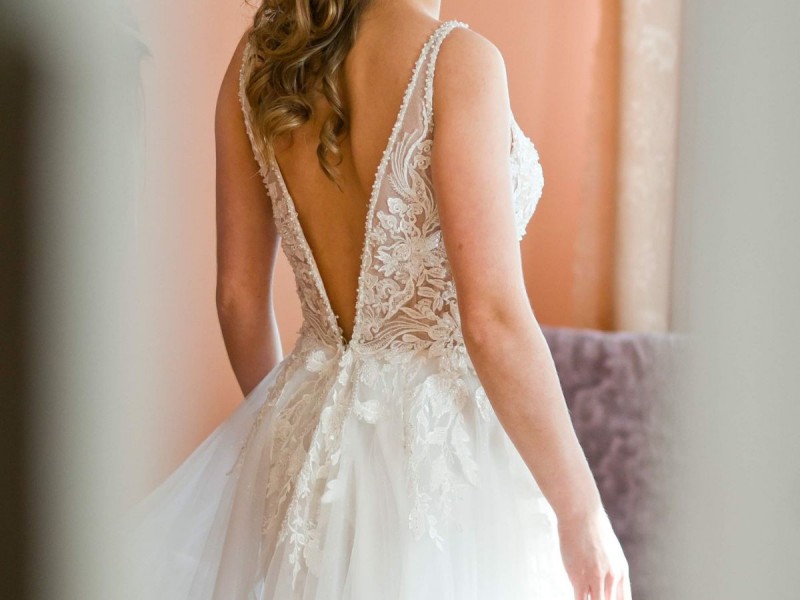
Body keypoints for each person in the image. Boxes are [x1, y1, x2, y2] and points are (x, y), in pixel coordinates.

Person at [126, 1, 632, 598]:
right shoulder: (458, 63)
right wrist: (581, 512)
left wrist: (290, 438)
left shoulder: (261, 61)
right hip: (441, 464)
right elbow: (492, 320)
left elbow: (237, 298)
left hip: (306, 447)